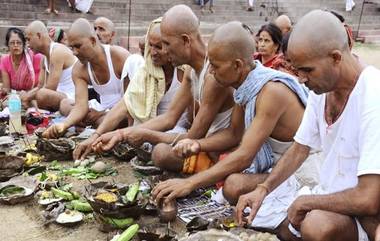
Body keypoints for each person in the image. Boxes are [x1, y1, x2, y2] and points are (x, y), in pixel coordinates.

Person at [236, 10, 380, 241]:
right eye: (297, 70)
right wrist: (263, 189)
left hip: (366, 216)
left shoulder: (373, 94)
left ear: (335, 57)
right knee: (248, 200)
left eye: (307, 70)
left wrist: (306, 202)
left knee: (316, 226)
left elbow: (368, 198)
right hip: (330, 198)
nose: (301, 79)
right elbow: (300, 149)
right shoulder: (321, 88)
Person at [152, 21, 318, 209]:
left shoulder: (271, 92)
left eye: (215, 66)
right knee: (173, 154)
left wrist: (189, 183)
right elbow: (233, 134)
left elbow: (245, 156)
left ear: (237, 66)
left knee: (233, 186)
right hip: (272, 163)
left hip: (297, 169)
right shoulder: (244, 86)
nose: (211, 72)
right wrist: (197, 144)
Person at [92, 5, 234, 175]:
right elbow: (169, 118)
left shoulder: (212, 74)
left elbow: (194, 137)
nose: (164, 51)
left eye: (166, 44)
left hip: (216, 148)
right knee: (158, 149)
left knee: (161, 153)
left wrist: (145, 134)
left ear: (186, 41)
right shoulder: (191, 69)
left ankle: (215, 170)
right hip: (201, 142)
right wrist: (122, 134)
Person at [73, 17, 186, 160]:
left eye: (159, 47)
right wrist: (96, 135)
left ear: (173, 46)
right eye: (150, 45)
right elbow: (125, 104)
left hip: (175, 133)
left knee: (161, 153)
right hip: (150, 129)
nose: (152, 52)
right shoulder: (147, 70)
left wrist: (122, 134)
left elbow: (170, 120)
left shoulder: (185, 71)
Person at [42, 18, 137, 139]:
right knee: (65, 104)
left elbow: (130, 103)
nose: (74, 52)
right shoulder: (79, 69)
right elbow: (81, 106)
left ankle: (99, 125)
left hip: (123, 112)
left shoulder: (120, 57)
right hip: (101, 109)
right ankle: (95, 124)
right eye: (71, 48)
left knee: (105, 121)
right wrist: (64, 124)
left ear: (92, 41)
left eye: (78, 46)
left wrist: (102, 113)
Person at [23, 21, 77, 111]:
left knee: (41, 95)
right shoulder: (43, 58)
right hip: (60, 96)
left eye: (29, 39)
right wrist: (25, 96)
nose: (28, 45)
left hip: (72, 98)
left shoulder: (57, 52)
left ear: (39, 36)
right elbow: (40, 86)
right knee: (33, 96)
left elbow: (50, 89)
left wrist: (27, 97)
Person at [0, 28, 43, 96]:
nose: (16, 45)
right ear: (7, 45)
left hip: (34, 95)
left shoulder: (36, 57)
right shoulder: (4, 61)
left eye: (19, 43)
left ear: (24, 44)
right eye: (12, 43)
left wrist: (27, 95)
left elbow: (42, 85)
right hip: (13, 97)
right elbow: (7, 88)